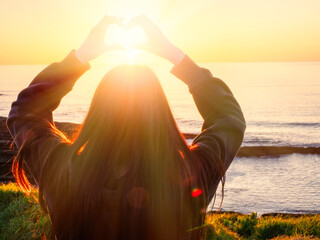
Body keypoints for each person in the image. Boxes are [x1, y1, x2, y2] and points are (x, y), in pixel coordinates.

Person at [7, 15, 246, 240]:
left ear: (98, 115)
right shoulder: (190, 175)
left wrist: (79, 59)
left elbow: (25, 113)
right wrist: (175, 56)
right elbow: (229, 119)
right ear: (159, 114)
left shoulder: (64, 171)